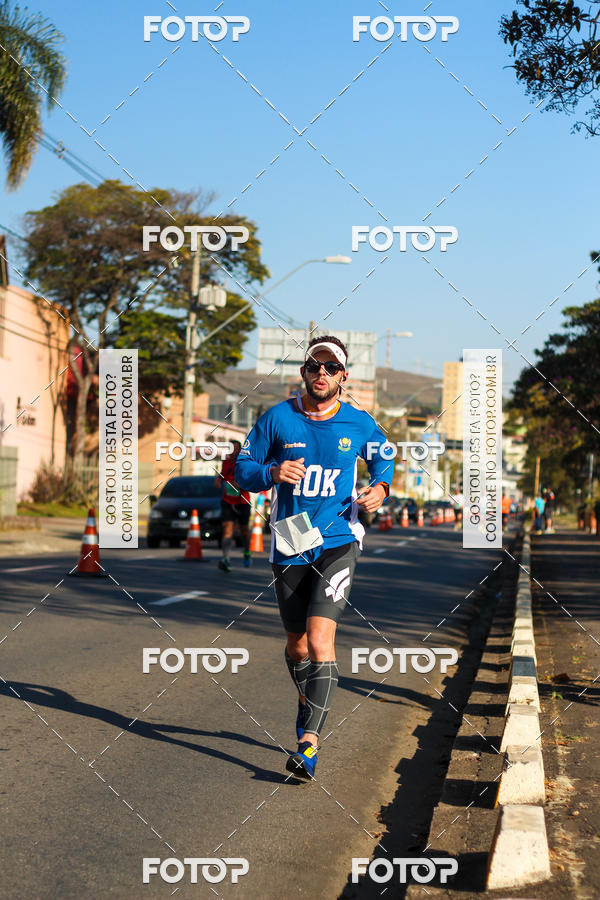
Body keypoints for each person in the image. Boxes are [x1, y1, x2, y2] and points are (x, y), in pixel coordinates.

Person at [235, 335, 393, 779]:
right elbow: (242, 470)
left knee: (321, 640)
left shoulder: (359, 423)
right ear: (302, 373)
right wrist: (271, 472)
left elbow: (385, 458)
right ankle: (310, 700)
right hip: (291, 537)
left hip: (339, 537)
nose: (320, 374)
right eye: (313, 366)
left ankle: (308, 744)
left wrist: (379, 488)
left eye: (330, 368)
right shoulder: (277, 419)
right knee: (297, 645)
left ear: (344, 376)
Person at [214, 440, 251, 572]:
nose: (232, 451)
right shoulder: (226, 462)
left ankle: (247, 552)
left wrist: (239, 485)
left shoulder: (245, 463)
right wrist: (218, 479)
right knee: (227, 529)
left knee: (244, 531)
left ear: (240, 450)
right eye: (230, 448)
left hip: (242, 502)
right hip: (228, 500)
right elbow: (223, 474)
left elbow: (251, 479)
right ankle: (226, 559)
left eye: (235, 449)